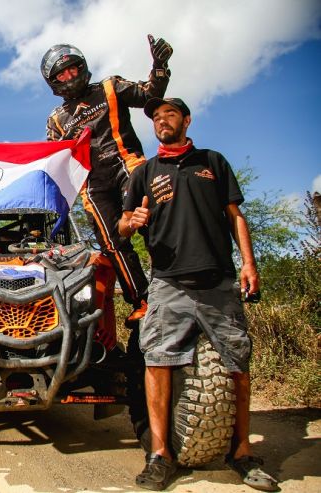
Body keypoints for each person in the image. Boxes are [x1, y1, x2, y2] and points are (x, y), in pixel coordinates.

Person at [119, 97, 279, 492]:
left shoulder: (213, 161)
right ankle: (160, 455)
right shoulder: (145, 172)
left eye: (170, 114)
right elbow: (123, 224)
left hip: (218, 282)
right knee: (156, 363)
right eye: (156, 117)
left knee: (237, 364)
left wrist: (249, 264)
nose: (162, 121)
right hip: (168, 284)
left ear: (186, 120)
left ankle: (241, 453)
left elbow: (235, 216)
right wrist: (130, 221)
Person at [41, 35, 172, 340]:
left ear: (82, 67)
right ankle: (141, 299)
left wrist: (160, 66)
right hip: (92, 185)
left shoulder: (110, 87)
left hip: (129, 165)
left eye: (72, 69)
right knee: (111, 243)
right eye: (61, 74)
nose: (69, 76)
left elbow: (150, 95)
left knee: (153, 220)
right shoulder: (56, 119)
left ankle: (171, 286)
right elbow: (51, 156)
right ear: (53, 82)